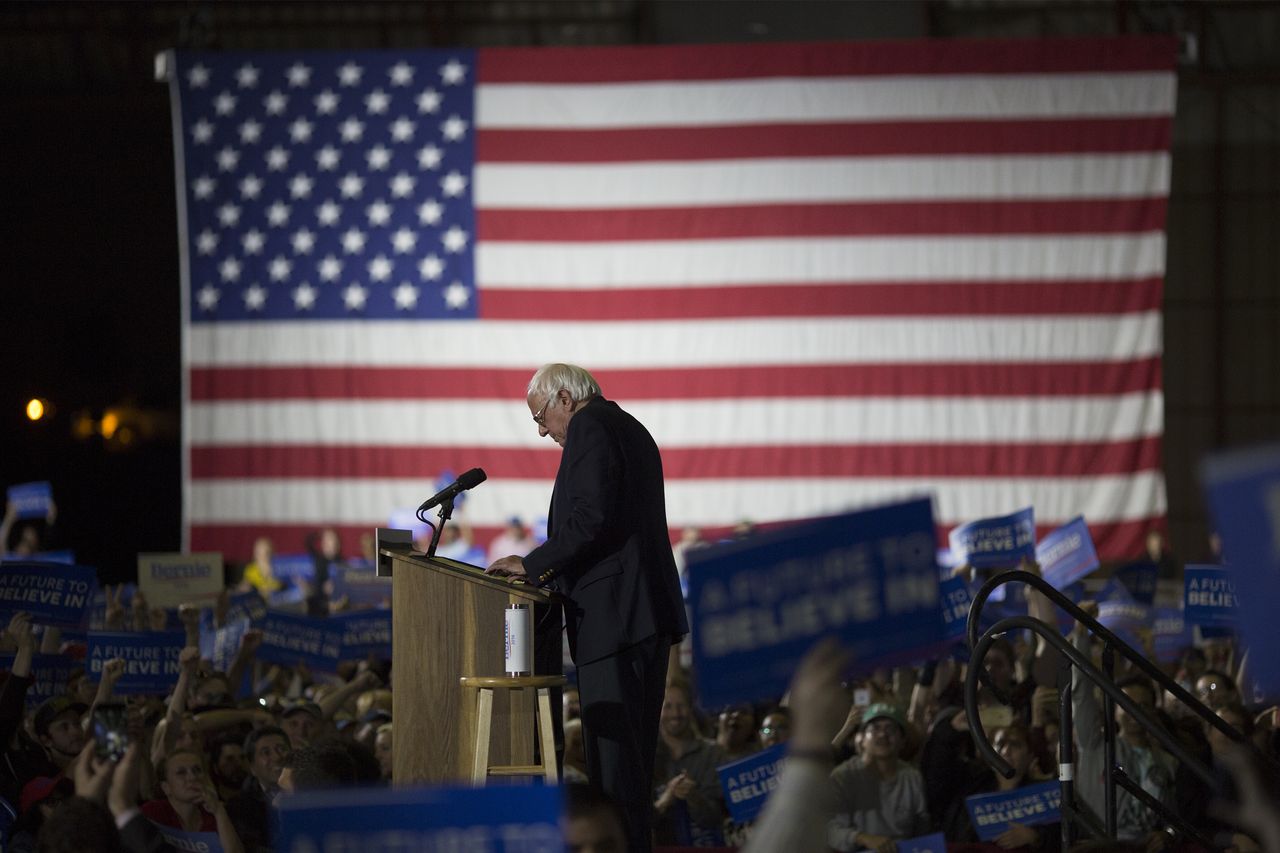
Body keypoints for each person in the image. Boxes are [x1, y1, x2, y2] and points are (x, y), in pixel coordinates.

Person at [487, 363, 689, 853]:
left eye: (541, 415)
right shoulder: (629, 426)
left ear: (564, 398)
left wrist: (532, 565)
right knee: (632, 769)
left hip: (615, 619)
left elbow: (590, 518)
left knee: (615, 766)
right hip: (641, 615)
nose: (541, 429)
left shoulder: (591, 425)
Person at [828, 703, 930, 853]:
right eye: (875, 728)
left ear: (902, 741)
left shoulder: (912, 777)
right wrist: (862, 838)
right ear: (861, 739)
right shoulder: (843, 776)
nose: (883, 734)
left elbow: (922, 828)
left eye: (891, 729)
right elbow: (829, 830)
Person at [652, 681, 726, 846]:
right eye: (668, 706)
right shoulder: (644, 756)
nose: (675, 714)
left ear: (691, 709)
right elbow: (636, 823)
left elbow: (717, 818)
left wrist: (694, 797)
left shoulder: (713, 753)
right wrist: (666, 798)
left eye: (681, 706)